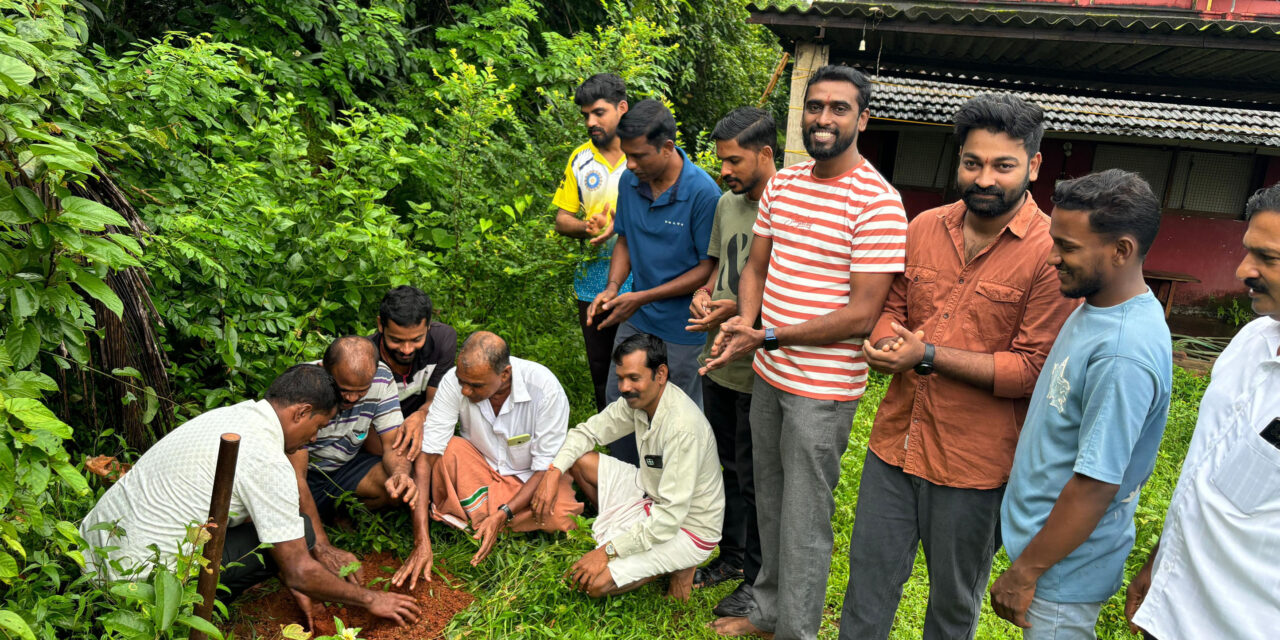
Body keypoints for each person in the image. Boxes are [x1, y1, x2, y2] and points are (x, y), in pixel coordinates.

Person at [838, 94, 1078, 640]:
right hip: (893, 449)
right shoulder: (923, 227)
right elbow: (891, 310)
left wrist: (923, 355)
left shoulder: (1050, 253)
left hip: (974, 468)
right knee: (866, 589)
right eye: (973, 163)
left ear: (1034, 167)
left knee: (951, 605)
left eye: (1003, 165)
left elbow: (1029, 372)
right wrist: (881, 343)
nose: (984, 179)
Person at [703, 65, 908, 639]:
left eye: (839, 108)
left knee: (804, 519)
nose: (823, 118)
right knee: (768, 501)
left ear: (862, 119)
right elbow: (756, 268)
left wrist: (767, 334)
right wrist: (747, 323)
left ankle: (797, 630)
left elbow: (862, 315)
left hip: (822, 389)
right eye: (815, 106)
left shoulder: (878, 203)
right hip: (768, 373)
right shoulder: (786, 186)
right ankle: (767, 608)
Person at [80, 364, 421, 629]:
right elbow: (299, 569)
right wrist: (370, 599)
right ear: (300, 412)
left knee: (289, 531)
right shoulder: (268, 460)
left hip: (90, 557)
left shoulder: (232, 416)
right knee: (298, 535)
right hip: (137, 587)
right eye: (317, 427)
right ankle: (182, 612)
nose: (314, 439)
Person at [991, 169, 1172, 639]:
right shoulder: (1097, 306)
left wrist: (1025, 571)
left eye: (1068, 247)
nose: (1052, 258)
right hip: (1053, 552)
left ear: (1121, 250)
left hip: (1062, 570)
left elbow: (1096, 484)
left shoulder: (1122, 351)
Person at [1125, 183, 1280, 640]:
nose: (1242, 269)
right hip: (1176, 605)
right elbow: (1204, 470)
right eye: (1247, 251)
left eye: (1267, 258)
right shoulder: (1250, 344)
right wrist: (1160, 561)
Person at [531, 333, 725, 601]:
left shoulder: (682, 428)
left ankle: (677, 563)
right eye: (621, 378)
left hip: (688, 526)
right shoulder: (638, 402)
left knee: (594, 584)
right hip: (651, 496)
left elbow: (669, 519)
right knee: (577, 458)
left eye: (634, 378)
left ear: (660, 374)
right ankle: (631, 543)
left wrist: (606, 552)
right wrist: (553, 473)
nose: (624, 387)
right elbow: (586, 433)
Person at [586, 98, 721, 463]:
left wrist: (642, 296)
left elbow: (707, 268)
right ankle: (626, 485)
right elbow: (626, 239)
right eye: (626, 155)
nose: (630, 165)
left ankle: (672, 495)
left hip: (684, 329)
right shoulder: (631, 182)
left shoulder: (703, 193)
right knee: (622, 400)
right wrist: (614, 288)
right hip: (637, 318)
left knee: (674, 415)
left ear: (666, 147)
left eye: (639, 156)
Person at [684, 106, 777, 618]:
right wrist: (704, 295)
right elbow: (718, 270)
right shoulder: (727, 203)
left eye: (734, 161)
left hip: (758, 365)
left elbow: (789, 293)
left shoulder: (789, 207)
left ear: (765, 154)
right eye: (721, 161)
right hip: (717, 358)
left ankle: (759, 580)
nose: (725, 171)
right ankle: (730, 557)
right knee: (722, 467)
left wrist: (742, 313)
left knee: (756, 476)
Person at [399, 331, 582, 584]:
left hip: (530, 479)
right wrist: (422, 540)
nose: (464, 389)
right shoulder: (454, 383)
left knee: (561, 513)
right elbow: (427, 457)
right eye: (462, 380)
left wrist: (503, 513)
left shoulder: (544, 387)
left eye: (475, 385)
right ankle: (497, 522)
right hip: (478, 467)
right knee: (445, 451)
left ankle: (480, 518)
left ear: (504, 374)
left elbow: (543, 469)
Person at [293, 336, 420, 583]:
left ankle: (334, 513)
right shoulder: (304, 386)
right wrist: (324, 547)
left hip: (345, 467)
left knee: (395, 485)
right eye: (344, 390)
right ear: (324, 371)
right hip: (305, 474)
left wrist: (400, 474)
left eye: (361, 391)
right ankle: (317, 524)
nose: (351, 399)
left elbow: (393, 445)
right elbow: (295, 478)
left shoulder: (382, 378)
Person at [552, 73, 634, 412]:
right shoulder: (579, 159)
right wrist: (587, 227)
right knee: (601, 368)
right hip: (594, 279)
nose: (591, 122)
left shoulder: (643, 152)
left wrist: (620, 222)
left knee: (642, 362)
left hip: (645, 277)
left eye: (599, 113)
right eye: (586, 115)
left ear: (622, 108)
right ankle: (612, 441)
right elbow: (562, 219)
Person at [370, 285, 458, 459]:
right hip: (379, 442)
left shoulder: (443, 341)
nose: (407, 350)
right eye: (396, 340)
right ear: (381, 325)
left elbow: (437, 402)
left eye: (417, 339)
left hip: (425, 432)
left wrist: (421, 415)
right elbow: (363, 425)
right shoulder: (366, 359)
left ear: (428, 325)